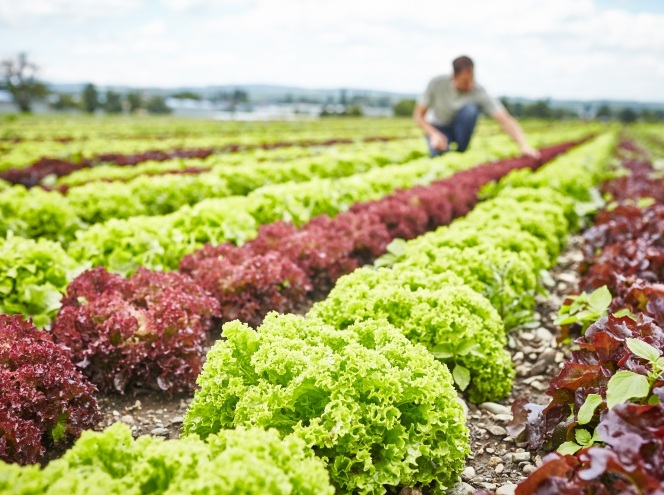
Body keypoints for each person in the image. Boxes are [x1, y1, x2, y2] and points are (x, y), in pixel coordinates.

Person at [413, 55, 540, 159]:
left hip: (459, 130)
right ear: (454, 77)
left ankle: (461, 150)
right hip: (438, 127)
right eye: (464, 81)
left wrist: (524, 145)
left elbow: (504, 118)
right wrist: (434, 134)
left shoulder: (478, 91)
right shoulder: (437, 83)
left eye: (471, 79)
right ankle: (442, 148)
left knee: (470, 110)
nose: (469, 85)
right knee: (438, 154)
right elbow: (418, 116)